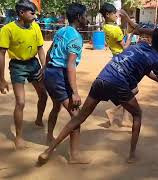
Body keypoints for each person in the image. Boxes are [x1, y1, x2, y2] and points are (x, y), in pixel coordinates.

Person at [38, 28, 158, 165]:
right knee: (138, 114)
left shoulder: (138, 46)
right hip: (118, 83)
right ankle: (132, 155)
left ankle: (48, 151)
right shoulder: (156, 59)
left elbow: (146, 71)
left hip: (102, 78)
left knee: (79, 118)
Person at [44, 3, 90, 164]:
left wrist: (45, 71)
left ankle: (49, 136)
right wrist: (75, 92)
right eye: (85, 15)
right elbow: (70, 65)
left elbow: (49, 52)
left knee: (56, 106)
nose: (87, 18)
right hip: (59, 75)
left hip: (50, 72)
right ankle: (74, 156)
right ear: (78, 17)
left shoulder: (61, 31)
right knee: (76, 117)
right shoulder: (75, 37)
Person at [0, 0, 48, 149]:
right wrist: (1, 79)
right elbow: (1, 53)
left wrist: (44, 66)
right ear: (21, 13)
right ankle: (18, 136)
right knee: (20, 102)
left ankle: (39, 120)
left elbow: (40, 48)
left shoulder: (35, 27)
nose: (35, 16)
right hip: (17, 66)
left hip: (33, 64)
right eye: (32, 13)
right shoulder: (7, 29)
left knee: (43, 95)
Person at [99, 4, 133, 128]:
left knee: (128, 89)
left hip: (115, 57)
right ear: (108, 15)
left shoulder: (107, 27)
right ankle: (113, 111)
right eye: (114, 13)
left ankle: (125, 118)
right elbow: (125, 47)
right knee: (133, 90)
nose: (116, 15)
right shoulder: (115, 30)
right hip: (123, 59)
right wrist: (131, 35)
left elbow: (120, 29)